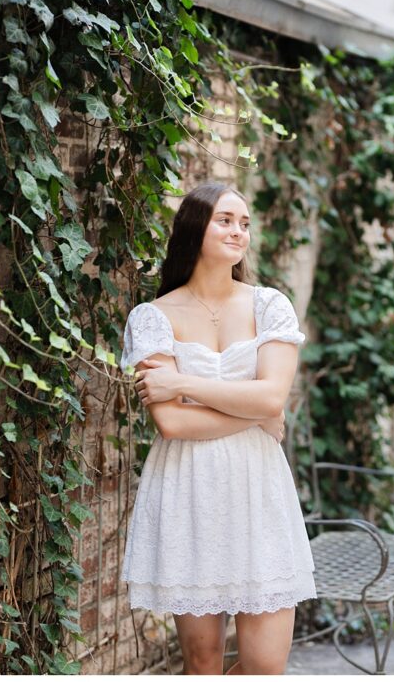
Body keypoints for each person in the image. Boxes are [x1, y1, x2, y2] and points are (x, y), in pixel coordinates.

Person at [119, 181, 316, 674]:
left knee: (265, 667)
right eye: (225, 220)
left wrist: (182, 381)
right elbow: (172, 422)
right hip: (189, 492)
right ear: (194, 228)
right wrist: (254, 413)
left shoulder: (270, 305)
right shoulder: (152, 317)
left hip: (259, 491)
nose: (239, 231)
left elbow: (274, 396)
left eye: (245, 223)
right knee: (202, 662)